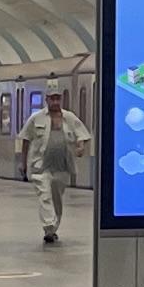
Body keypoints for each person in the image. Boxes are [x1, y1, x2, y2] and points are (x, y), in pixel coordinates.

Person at [19, 91, 94, 245]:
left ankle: (53, 228)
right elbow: (26, 140)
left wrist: (80, 147)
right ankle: (48, 227)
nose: (55, 102)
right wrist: (23, 163)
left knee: (56, 199)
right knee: (44, 196)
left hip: (62, 166)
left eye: (57, 99)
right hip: (41, 166)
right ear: (46, 100)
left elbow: (81, 134)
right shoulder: (36, 118)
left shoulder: (69, 118)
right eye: (52, 99)